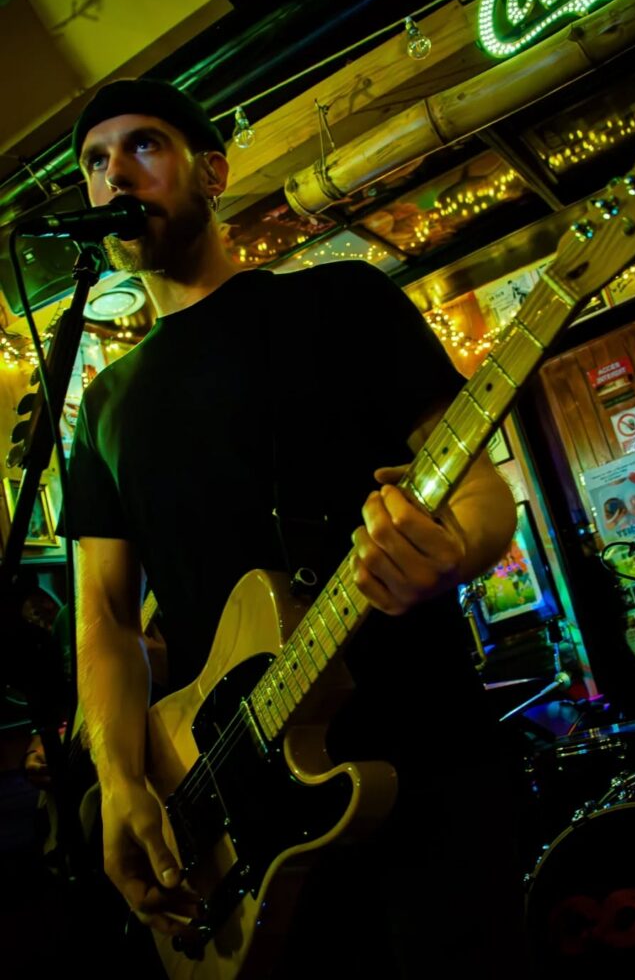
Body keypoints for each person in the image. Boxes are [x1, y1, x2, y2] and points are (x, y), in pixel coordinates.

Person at [61, 78, 526, 978]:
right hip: (241, 814)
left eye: (143, 145)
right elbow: (104, 620)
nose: (115, 173)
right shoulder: (106, 406)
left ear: (213, 172)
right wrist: (120, 784)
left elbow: (477, 488)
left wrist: (452, 555)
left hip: (422, 756)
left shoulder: (340, 302)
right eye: (95, 160)